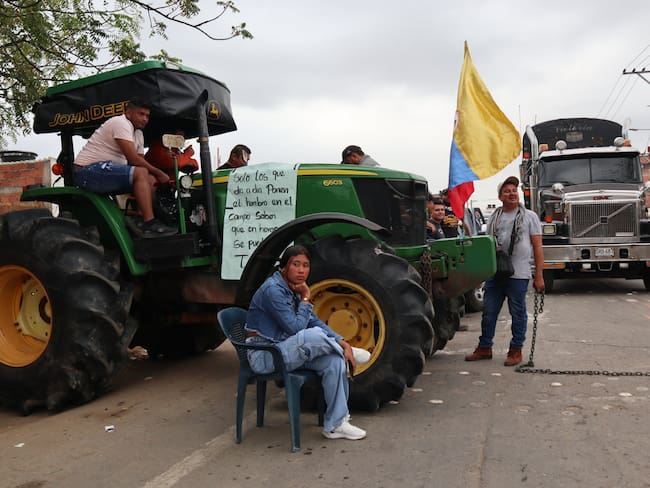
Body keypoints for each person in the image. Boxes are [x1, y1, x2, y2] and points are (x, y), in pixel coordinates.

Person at [246, 245, 370, 441]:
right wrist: (305, 297)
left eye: (305, 265)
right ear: (284, 267)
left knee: (334, 361)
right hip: (266, 355)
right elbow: (295, 329)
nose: (302, 270)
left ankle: (336, 425)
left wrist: (342, 341)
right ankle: (345, 351)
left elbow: (313, 319)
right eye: (296, 265)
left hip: (287, 349)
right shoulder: (273, 290)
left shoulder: (293, 287)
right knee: (312, 335)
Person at [465, 176, 544, 366]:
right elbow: (487, 245)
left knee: (518, 314)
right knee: (489, 313)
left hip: (519, 274)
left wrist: (539, 275)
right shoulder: (494, 216)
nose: (512, 193)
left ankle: (516, 350)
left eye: (514, 190)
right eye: (507, 191)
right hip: (496, 273)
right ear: (500, 196)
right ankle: (485, 347)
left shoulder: (529, 216)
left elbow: (538, 247)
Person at [73, 98, 177, 237]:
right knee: (143, 173)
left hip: (106, 171)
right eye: (141, 114)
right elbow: (133, 159)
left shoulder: (138, 133)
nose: (145, 119)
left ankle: (140, 219)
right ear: (128, 113)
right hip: (86, 172)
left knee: (150, 179)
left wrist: (156, 177)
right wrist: (160, 173)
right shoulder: (120, 123)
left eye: (147, 116)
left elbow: (140, 161)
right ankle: (149, 223)